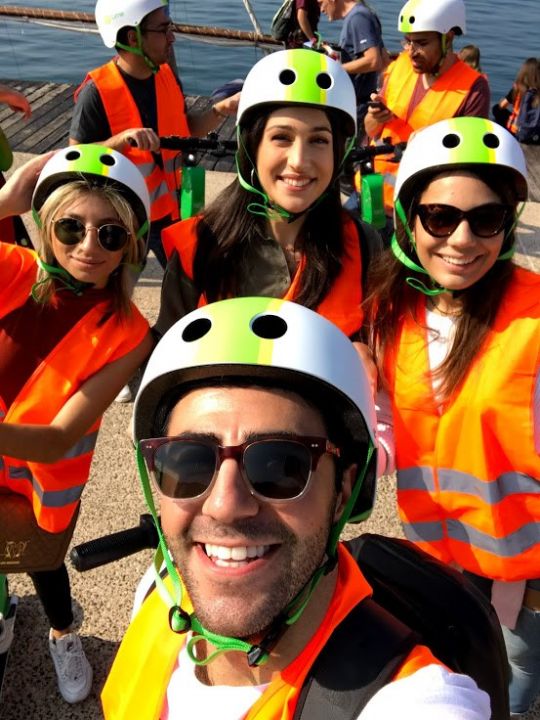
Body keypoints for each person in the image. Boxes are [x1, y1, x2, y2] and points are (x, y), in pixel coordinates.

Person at [101, 295, 490, 718]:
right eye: (189, 462)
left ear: (342, 492)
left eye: (281, 465)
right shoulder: (157, 592)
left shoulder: (414, 702)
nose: (224, 505)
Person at [363, 116, 540, 717]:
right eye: (440, 218)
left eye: (485, 219)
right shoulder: (391, 314)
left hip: (526, 577)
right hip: (436, 561)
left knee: (511, 691)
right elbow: (388, 423)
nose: (462, 240)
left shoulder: (535, 320)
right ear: (409, 221)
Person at [0, 145, 153, 703]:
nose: (89, 247)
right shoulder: (12, 270)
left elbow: (62, 434)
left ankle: (63, 631)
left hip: (45, 470)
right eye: (71, 228)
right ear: (45, 228)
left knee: (43, 558)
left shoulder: (128, 332)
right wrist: (5, 199)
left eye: (111, 235)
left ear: (130, 246)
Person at [155, 48, 381, 388]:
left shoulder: (364, 246)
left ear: (339, 152)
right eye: (281, 138)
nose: (299, 160)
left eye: (319, 140)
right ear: (251, 146)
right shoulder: (199, 248)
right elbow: (167, 362)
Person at [69, 0, 239, 271]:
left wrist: (220, 110)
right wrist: (122, 141)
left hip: (169, 213)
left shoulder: (165, 76)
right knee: (114, 295)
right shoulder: (97, 92)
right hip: (123, 220)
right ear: (132, 37)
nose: (172, 37)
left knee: (188, 282)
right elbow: (75, 159)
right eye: (163, 29)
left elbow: (188, 129)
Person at [364, 0, 490, 218]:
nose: (411, 52)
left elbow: (469, 165)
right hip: (372, 192)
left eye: (421, 43)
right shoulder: (399, 67)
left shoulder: (473, 88)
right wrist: (376, 117)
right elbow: (370, 130)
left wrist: (435, 140)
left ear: (447, 38)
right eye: (407, 42)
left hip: (417, 209)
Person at [317, 0, 385, 140]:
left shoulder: (358, 18)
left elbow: (373, 60)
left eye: (320, 2)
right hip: (360, 104)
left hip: (358, 107)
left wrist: (335, 69)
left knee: (344, 157)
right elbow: (384, 58)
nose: (320, 9)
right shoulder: (362, 15)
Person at [500, 58, 540, 139]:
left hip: (517, 130)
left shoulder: (517, 88)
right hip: (537, 132)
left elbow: (502, 105)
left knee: (496, 109)